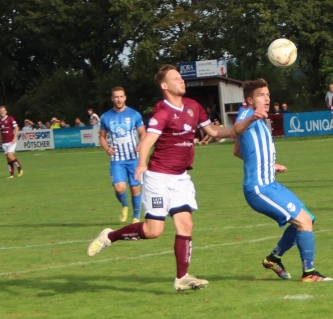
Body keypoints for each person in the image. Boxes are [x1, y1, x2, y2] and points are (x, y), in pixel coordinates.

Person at [86, 64, 234, 291]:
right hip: (158, 177)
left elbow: (213, 132)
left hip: (181, 177)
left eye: (181, 78)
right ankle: (111, 236)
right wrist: (142, 162)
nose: (182, 81)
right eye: (176, 79)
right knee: (153, 231)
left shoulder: (193, 106)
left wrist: (237, 130)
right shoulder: (162, 111)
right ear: (164, 86)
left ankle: (182, 277)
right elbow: (146, 140)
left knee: (186, 224)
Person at [232, 78, 333, 282]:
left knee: (308, 219)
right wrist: (251, 119)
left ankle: (273, 258)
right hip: (259, 189)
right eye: (262, 95)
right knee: (303, 222)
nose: (267, 98)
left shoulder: (260, 118)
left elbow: (237, 150)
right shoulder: (248, 114)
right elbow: (237, 128)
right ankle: (309, 273)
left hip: (271, 183)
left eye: (268, 94)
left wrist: (269, 164)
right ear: (250, 99)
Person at [99, 86, 146, 223]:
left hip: (133, 158)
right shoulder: (106, 117)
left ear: (125, 97)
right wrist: (106, 148)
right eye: (116, 97)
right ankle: (124, 205)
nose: (119, 99)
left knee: (135, 188)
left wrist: (140, 144)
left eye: (121, 96)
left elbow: (143, 133)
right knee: (120, 188)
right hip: (117, 159)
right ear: (112, 99)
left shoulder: (134, 115)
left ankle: (136, 217)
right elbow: (102, 137)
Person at [0, 106, 23, 178]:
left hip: (11, 141)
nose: (2, 112)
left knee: (9, 155)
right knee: (8, 159)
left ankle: (20, 168)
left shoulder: (10, 119)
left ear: (6, 111)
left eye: (3, 111)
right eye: (0, 111)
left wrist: (15, 137)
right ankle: (12, 174)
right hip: (4, 142)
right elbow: (0, 132)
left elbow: (16, 128)